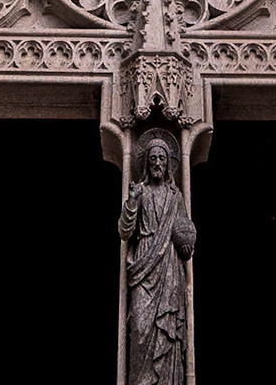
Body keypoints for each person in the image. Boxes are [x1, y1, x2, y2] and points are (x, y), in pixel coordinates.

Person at [120, 130, 196, 385]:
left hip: (169, 269)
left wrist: (186, 247)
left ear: (168, 164)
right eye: (153, 158)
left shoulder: (176, 197)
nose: (157, 163)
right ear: (146, 163)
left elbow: (185, 230)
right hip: (144, 264)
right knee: (140, 327)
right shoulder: (139, 194)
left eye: (162, 159)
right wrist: (131, 203)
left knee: (169, 331)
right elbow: (124, 230)